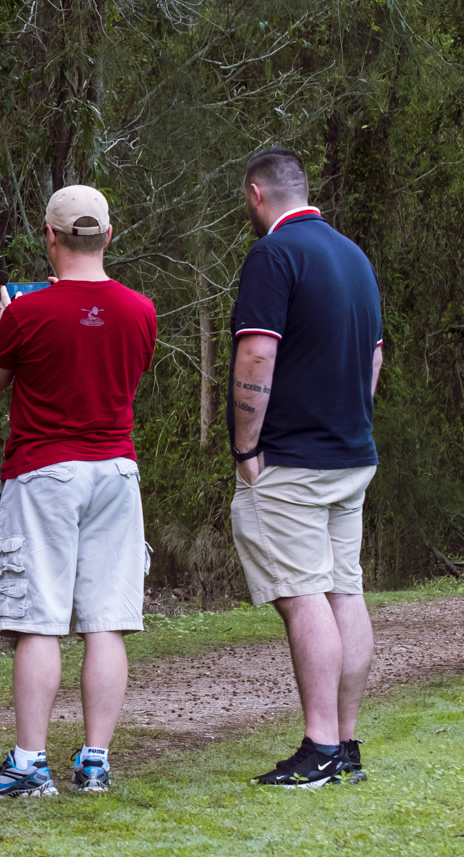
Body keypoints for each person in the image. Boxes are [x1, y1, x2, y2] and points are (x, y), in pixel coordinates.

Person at [0, 185, 157, 799]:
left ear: (50, 237)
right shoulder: (140, 310)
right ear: (108, 235)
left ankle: (29, 762)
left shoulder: (26, 312)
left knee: (40, 621)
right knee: (106, 622)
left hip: (45, 472)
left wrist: (5, 321)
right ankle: (95, 761)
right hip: (116, 473)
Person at [228, 146, 383, 788]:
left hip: (294, 459)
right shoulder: (354, 256)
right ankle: (344, 746)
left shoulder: (274, 254)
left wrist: (246, 448)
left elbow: (257, 359)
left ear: (258, 195)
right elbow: (374, 358)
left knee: (302, 595)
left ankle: (318, 748)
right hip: (351, 455)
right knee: (343, 589)